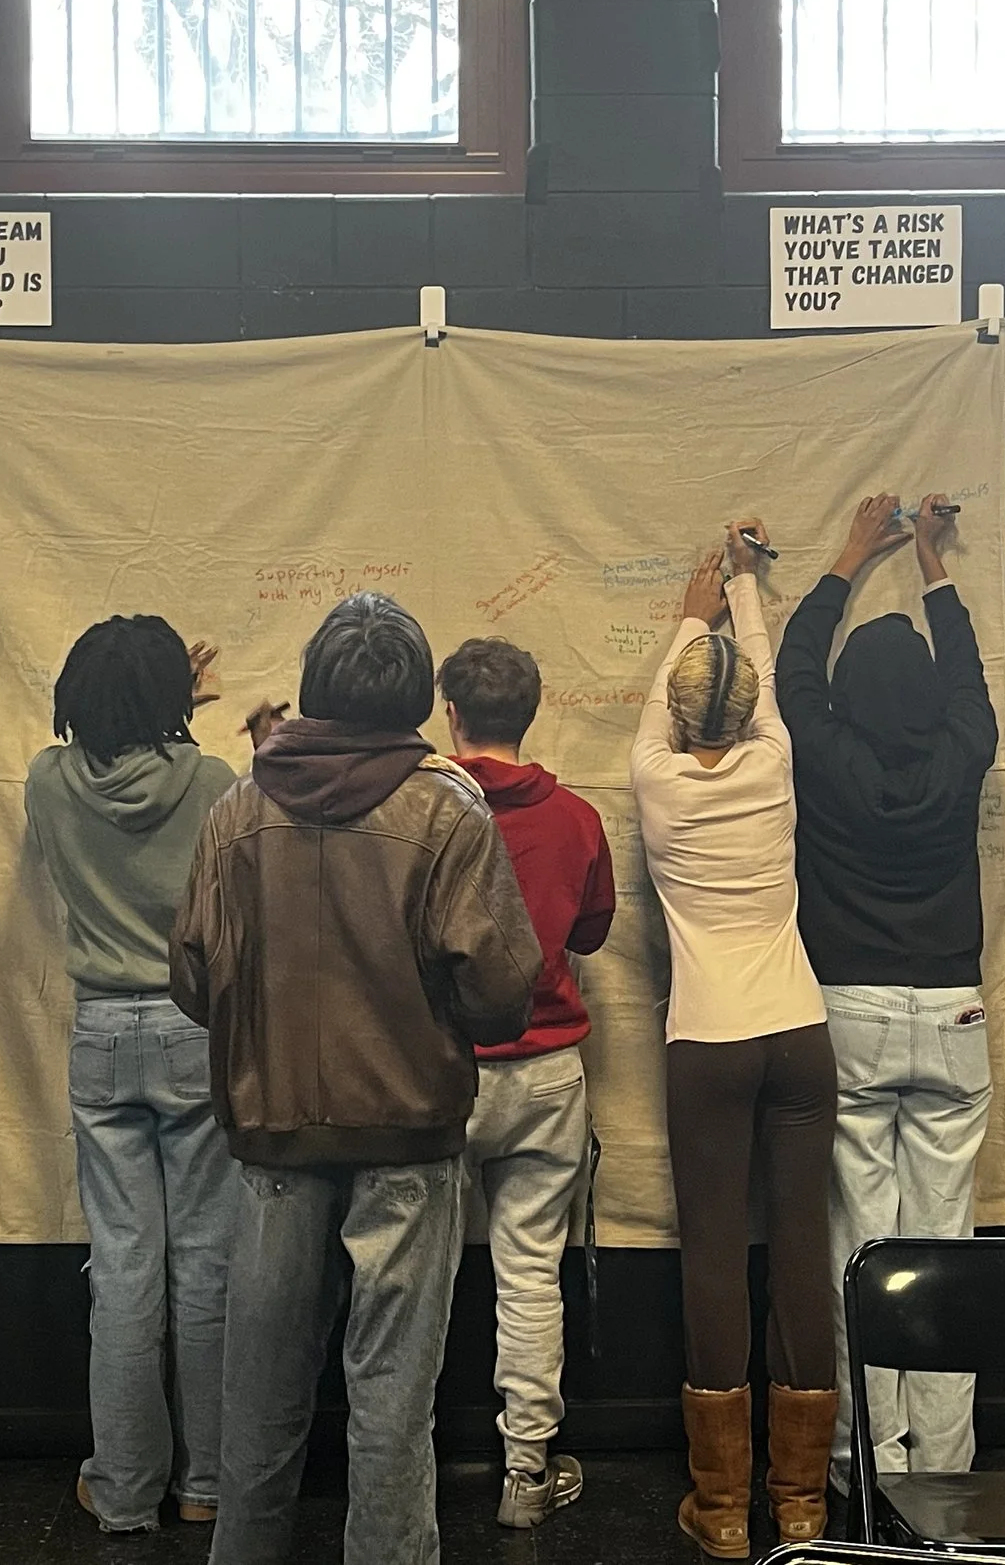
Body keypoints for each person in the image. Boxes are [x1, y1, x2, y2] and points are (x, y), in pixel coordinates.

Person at [172, 592, 542, 1565]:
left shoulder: (240, 806)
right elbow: (504, 992)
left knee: (259, 1401)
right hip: (408, 1138)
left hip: (272, 1135)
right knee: (390, 1402)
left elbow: (192, 980)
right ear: (419, 696)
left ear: (312, 687)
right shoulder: (448, 807)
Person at [777, 493, 999, 1484]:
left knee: (856, 1245)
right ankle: (943, 1471)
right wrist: (930, 564)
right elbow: (966, 681)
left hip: (852, 1011)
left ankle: (861, 1465)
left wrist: (849, 554)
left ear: (848, 699)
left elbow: (791, 677)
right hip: (952, 1009)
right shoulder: (963, 752)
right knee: (940, 1248)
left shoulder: (823, 757)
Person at [630, 525, 838, 1559]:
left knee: (714, 1254)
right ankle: (800, 1499)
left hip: (704, 1040)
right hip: (799, 1034)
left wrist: (689, 603)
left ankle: (719, 1510)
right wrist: (746, 588)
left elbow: (682, 690)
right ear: (752, 711)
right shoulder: (775, 759)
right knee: (800, 1247)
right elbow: (757, 694)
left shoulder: (652, 778)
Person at [27, 617, 239, 1534]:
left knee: (121, 1267)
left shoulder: (45, 780)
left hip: (102, 1030)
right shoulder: (214, 782)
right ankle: (207, 1486)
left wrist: (148, 701)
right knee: (205, 1264)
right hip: (196, 1027)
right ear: (174, 701)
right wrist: (174, 711)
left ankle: (121, 1490)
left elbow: (98, 747)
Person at [437, 636, 618, 1530]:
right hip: (547, 1069)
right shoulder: (579, 819)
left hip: (442, 1070)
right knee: (530, 1274)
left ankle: (398, 1463)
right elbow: (587, 937)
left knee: (414, 1273)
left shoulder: (420, 813)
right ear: (531, 713)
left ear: (450, 713)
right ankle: (528, 1472)